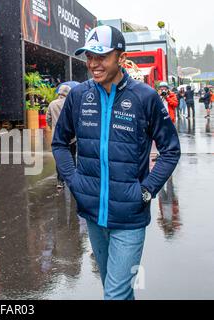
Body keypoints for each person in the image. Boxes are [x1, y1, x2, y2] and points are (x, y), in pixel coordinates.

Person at [52, 25, 181, 300]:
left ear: (121, 58)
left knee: (115, 293)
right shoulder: (78, 96)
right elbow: (60, 143)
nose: (93, 64)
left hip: (130, 215)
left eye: (102, 56)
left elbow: (171, 150)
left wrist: (146, 191)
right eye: (89, 56)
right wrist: (75, 182)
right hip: (92, 214)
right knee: (116, 288)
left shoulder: (144, 97)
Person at [46, 84, 72, 189]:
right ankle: (71, 180)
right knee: (72, 157)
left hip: (57, 136)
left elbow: (48, 118)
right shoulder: (70, 103)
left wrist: (52, 126)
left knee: (59, 159)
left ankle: (60, 181)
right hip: (71, 136)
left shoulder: (52, 104)